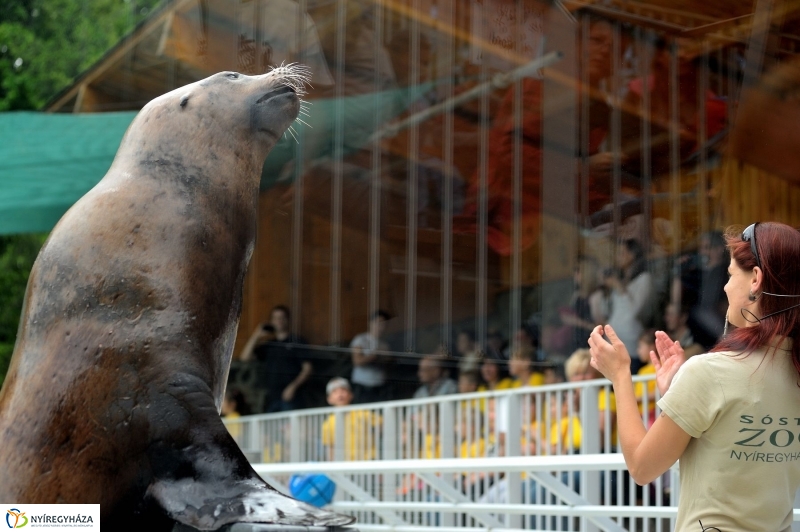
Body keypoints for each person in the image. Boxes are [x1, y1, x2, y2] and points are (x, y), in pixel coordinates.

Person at [589, 222, 800, 531]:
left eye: (730, 275)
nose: (726, 287)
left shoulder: (710, 373)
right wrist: (676, 392)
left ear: (755, 279)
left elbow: (641, 467)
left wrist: (620, 375)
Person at [240, 305, 313, 412]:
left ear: (287, 320)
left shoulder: (297, 341)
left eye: (281, 317)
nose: (278, 321)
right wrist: (256, 335)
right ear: (271, 321)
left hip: (292, 396)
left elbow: (308, 369)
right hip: (271, 396)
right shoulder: (269, 345)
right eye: (275, 318)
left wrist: (293, 387)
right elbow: (244, 358)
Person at [604, 238, 654, 373]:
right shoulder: (621, 280)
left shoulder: (644, 279)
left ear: (632, 255)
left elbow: (635, 310)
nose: (617, 257)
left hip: (630, 346)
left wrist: (619, 287)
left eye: (621, 253)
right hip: (612, 345)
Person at [321, 377, 381, 461]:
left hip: (369, 461)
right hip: (345, 464)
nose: (340, 394)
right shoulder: (327, 423)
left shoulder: (363, 413)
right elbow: (330, 447)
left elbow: (384, 424)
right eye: (335, 392)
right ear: (329, 399)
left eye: (343, 390)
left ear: (351, 395)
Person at [349, 310, 392, 403]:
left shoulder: (385, 344)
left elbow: (388, 365)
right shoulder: (360, 339)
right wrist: (375, 355)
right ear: (370, 323)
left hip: (380, 386)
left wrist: (387, 359)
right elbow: (357, 361)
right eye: (378, 323)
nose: (381, 327)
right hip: (362, 385)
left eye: (384, 324)